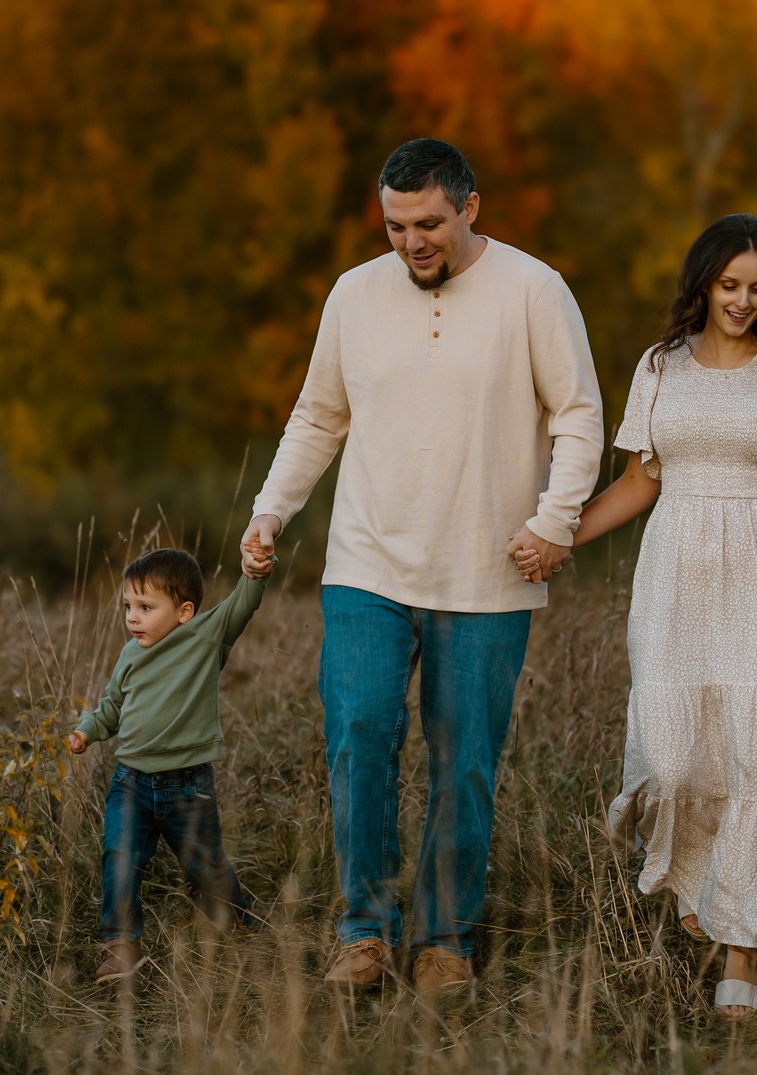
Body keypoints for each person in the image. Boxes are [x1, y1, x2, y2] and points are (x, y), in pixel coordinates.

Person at [515, 212, 757, 1018]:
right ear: (701, 282)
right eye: (729, 284)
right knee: (672, 755)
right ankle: (706, 883)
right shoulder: (659, 365)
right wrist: (556, 532)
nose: (741, 300)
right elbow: (638, 483)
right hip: (674, 574)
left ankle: (744, 949)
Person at [239, 138, 603, 997]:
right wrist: (271, 508)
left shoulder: (533, 289)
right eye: (397, 224)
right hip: (367, 559)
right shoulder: (353, 294)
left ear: (471, 207)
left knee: (464, 757)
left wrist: (555, 521)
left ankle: (444, 939)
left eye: (430, 222)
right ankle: (365, 931)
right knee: (360, 730)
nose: (413, 241)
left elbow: (579, 415)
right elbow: (318, 415)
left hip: (487, 572)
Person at [68, 547, 269, 983]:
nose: (132, 618)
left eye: (145, 607)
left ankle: (234, 925)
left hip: (188, 787)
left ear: (184, 612)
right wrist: (88, 730)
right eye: (128, 607)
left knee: (207, 867)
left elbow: (241, 605)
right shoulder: (130, 655)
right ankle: (122, 945)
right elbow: (111, 707)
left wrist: (254, 574)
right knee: (119, 856)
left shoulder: (204, 637)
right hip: (132, 781)